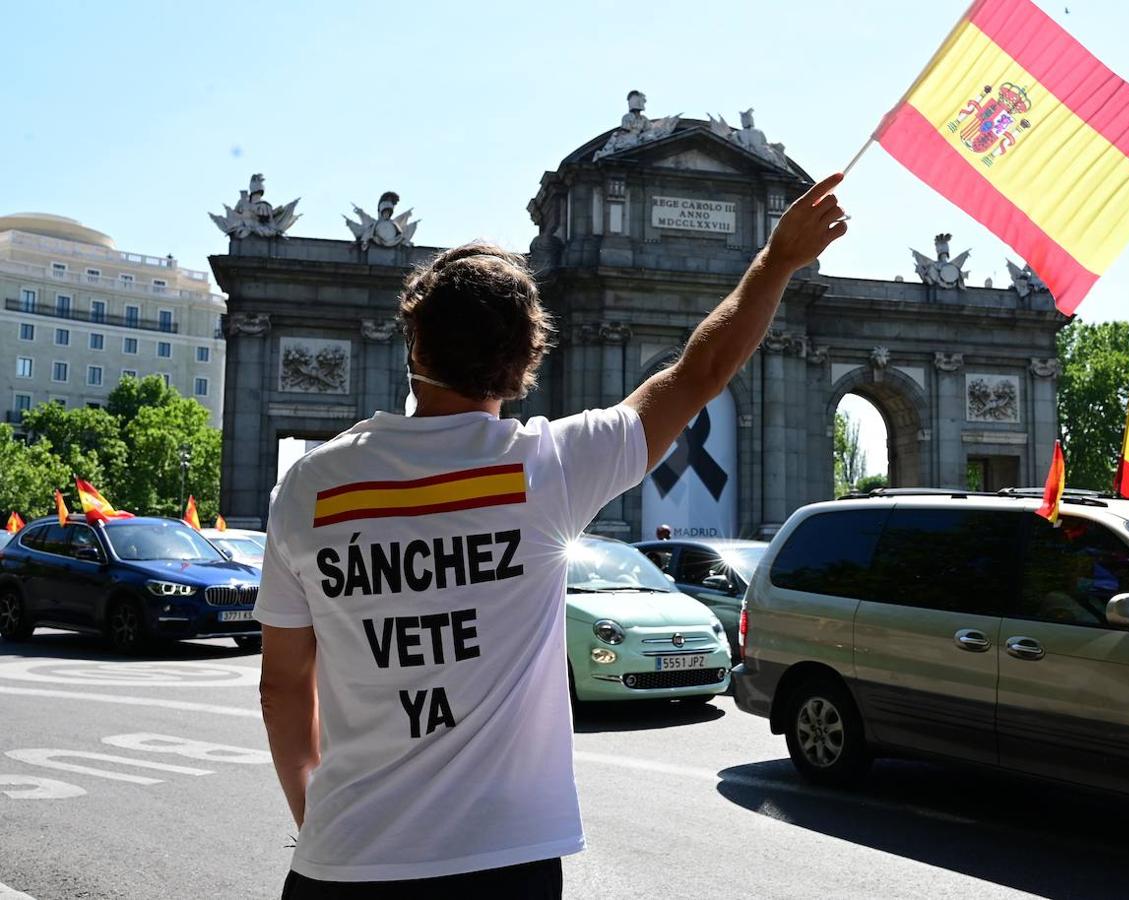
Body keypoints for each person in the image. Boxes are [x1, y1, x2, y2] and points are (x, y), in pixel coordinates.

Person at [254, 172, 847, 898]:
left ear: (412, 341)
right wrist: (776, 260)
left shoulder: (309, 488)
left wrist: (317, 816)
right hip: (503, 861)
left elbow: (283, 687)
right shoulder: (547, 468)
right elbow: (701, 372)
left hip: (342, 858)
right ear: (527, 360)